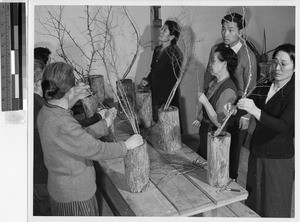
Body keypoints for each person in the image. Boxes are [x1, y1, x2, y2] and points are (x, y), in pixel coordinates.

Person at [37, 62, 143, 216]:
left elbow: (77, 139)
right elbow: (95, 149)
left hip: (61, 190)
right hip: (75, 197)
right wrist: (126, 146)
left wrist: (104, 124)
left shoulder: (47, 111)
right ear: (71, 90)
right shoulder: (63, 122)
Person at [232, 43, 294, 217]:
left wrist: (255, 111)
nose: (278, 68)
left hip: (277, 158)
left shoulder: (294, 92)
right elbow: (249, 103)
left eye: (284, 64)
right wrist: (235, 109)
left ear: (295, 67)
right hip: (258, 150)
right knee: (254, 201)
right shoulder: (267, 83)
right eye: (275, 62)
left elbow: (286, 128)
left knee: (275, 205)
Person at [198, 12, 257, 180]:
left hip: (237, 106)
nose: (226, 34)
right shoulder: (216, 49)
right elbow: (208, 75)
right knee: (211, 142)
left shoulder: (248, 55)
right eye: (223, 29)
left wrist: (245, 115)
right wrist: (205, 100)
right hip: (217, 101)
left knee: (233, 145)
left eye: (231, 30)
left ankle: (231, 178)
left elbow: (250, 87)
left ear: (241, 31)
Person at [194, 45, 238, 159]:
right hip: (206, 133)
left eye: (213, 61)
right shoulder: (215, 82)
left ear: (224, 64)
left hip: (215, 138)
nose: (210, 64)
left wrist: (205, 102)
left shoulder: (228, 90)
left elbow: (220, 123)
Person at [140, 20, 183, 122]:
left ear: (171, 37)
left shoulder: (174, 54)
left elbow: (173, 81)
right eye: (162, 28)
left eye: (165, 30)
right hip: (155, 95)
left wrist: (166, 102)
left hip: (167, 99)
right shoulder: (157, 50)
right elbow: (153, 70)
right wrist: (147, 80)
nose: (161, 31)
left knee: (167, 126)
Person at [33, 59, 51, 215]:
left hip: (31, 171)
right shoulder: (40, 106)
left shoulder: (28, 102)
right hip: (41, 172)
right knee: (45, 208)